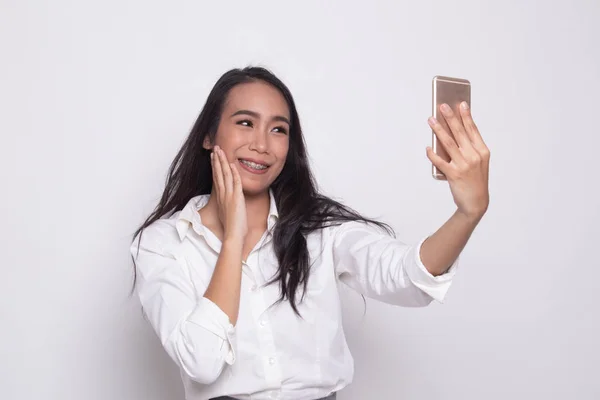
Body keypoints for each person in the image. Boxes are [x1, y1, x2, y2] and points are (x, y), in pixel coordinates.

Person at [129, 66, 490, 400]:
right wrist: (233, 238)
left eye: (278, 129)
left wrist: (467, 213)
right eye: (245, 122)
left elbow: (407, 277)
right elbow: (202, 363)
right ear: (209, 135)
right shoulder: (163, 243)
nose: (262, 144)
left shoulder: (320, 229)